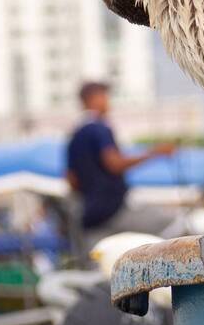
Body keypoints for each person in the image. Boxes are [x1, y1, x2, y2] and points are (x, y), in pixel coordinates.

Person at [66, 81, 178, 247]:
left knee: (102, 264)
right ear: (93, 99)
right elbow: (114, 163)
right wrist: (154, 153)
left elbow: (71, 179)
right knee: (174, 225)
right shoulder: (99, 128)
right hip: (115, 209)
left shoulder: (74, 135)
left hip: (91, 217)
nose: (108, 102)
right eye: (104, 97)